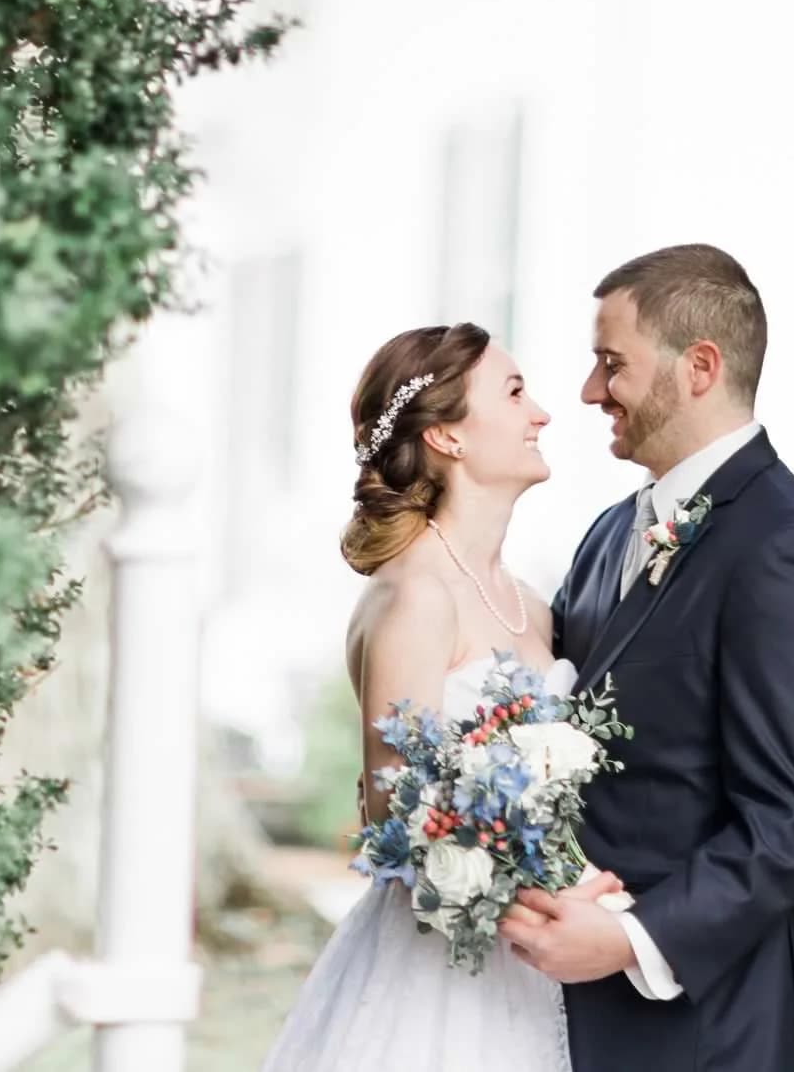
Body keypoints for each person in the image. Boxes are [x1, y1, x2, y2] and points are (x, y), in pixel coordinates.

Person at [499, 243, 794, 1072]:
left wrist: (632, 938)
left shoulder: (786, 549)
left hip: (704, 1033)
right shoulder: (605, 535)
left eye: (610, 363)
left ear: (699, 366)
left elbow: (793, 821)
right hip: (565, 1017)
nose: (592, 392)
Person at [259, 321, 619, 1072]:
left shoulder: (531, 603)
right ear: (449, 438)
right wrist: (558, 886)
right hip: (435, 985)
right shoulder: (417, 596)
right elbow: (401, 821)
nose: (543, 414)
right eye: (516, 392)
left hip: (528, 972)